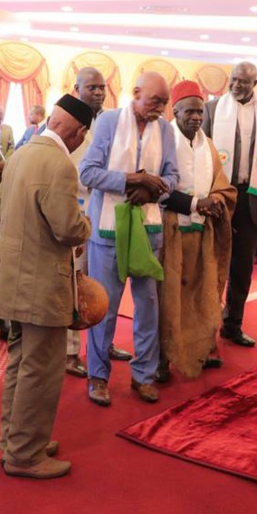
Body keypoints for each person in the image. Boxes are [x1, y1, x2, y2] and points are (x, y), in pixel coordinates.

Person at [0, 94, 93, 480]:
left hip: (12, 278)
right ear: (79, 132)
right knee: (41, 369)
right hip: (41, 285)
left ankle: (15, 441)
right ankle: (25, 455)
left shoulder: (19, 155)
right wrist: (84, 226)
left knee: (20, 364)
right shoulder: (60, 164)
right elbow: (67, 229)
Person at [79, 72, 178, 406]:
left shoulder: (165, 130)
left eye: (164, 103)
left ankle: (144, 376)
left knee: (148, 307)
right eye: (155, 101)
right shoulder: (108, 121)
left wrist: (153, 189)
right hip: (108, 229)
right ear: (136, 93)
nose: (160, 108)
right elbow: (88, 172)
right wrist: (132, 181)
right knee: (104, 307)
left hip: (148, 230)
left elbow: (173, 176)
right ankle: (98, 376)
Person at [201, 62, 257, 348]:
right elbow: (201, 155)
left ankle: (233, 324)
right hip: (218, 197)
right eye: (233, 80)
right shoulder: (211, 109)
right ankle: (207, 327)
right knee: (212, 262)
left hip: (252, 197)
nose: (237, 85)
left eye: (244, 82)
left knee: (242, 266)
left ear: (254, 85)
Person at [157, 80, 236, 382]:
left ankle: (199, 351)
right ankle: (162, 359)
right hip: (170, 232)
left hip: (202, 234)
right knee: (168, 298)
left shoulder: (209, 145)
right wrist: (195, 203)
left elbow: (222, 184)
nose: (196, 117)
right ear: (175, 111)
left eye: (200, 112)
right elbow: (158, 186)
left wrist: (215, 200)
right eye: (189, 111)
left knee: (199, 294)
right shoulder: (163, 142)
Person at [64, 66, 132, 376]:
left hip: (106, 212)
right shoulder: (67, 122)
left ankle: (104, 344)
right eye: (91, 87)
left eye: (102, 87)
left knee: (104, 287)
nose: (98, 92)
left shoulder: (112, 122)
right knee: (74, 285)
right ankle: (70, 352)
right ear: (76, 89)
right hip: (75, 211)